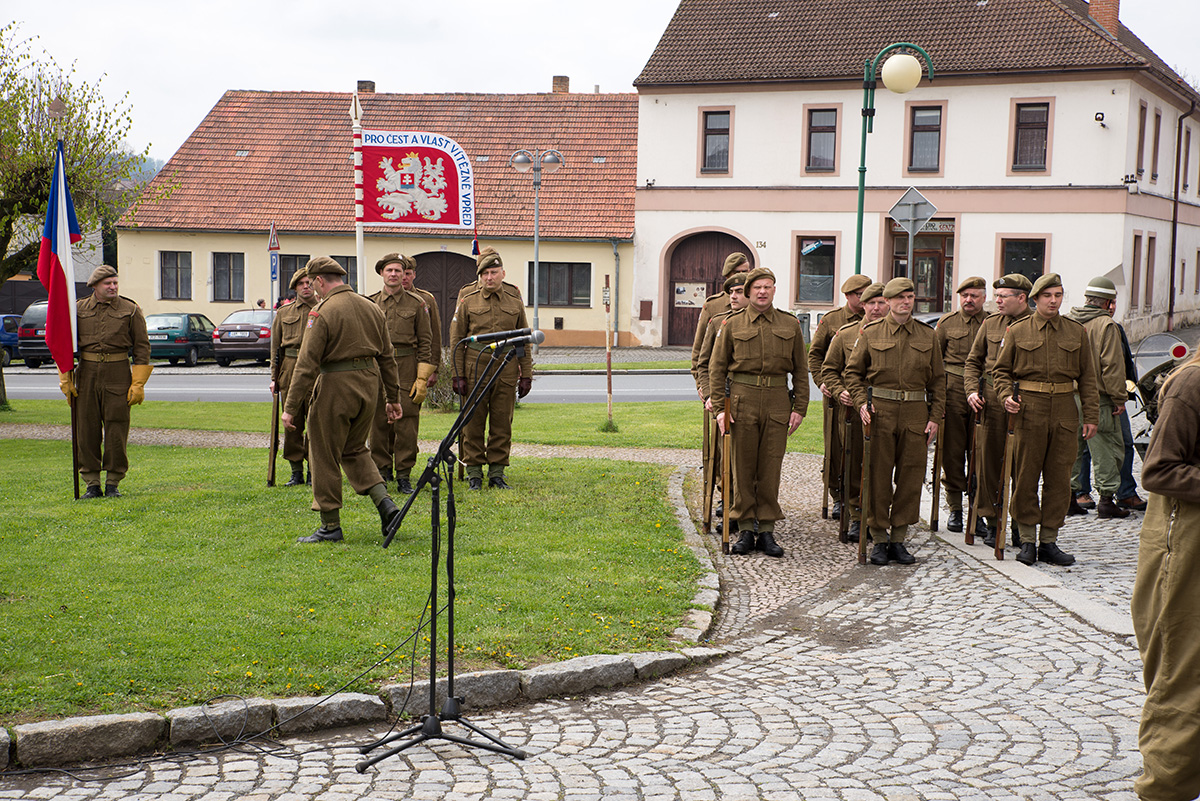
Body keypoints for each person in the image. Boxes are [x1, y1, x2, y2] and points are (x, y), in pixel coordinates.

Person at [282, 256, 403, 544]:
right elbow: (388, 358)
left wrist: (290, 408)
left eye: (313, 283)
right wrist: (393, 398)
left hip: (335, 387)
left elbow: (306, 364)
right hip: (368, 386)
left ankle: (330, 525)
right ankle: (386, 504)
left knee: (323, 453)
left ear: (319, 280)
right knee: (355, 448)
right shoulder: (372, 307)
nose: (313, 288)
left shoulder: (322, 312)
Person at [1130, 346, 1200, 801]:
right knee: (1184, 664)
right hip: (1187, 539)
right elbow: (1159, 470)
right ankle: (1168, 788)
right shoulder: (1192, 384)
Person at [993, 273, 1100, 566]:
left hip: (1065, 410)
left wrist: (1091, 415)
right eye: (1048, 296)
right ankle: (1027, 539)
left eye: (1058, 295)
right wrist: (1006, 396)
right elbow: (1000, 372)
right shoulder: (1018, 331)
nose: (1053, 301)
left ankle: (1049, 541)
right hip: (1029, 410)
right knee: (1025, 475)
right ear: (1035, 299)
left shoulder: (1076, 332)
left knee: (1059, 479)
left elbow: (1088, 378)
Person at [845, 277, 944, 565]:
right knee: (877, 476)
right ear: (887, 301)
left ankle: (898, 538)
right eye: (900, 297)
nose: (906, 302)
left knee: (911, 477)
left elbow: (939, 381)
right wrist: (862, 402)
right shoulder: (871, 333)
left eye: (910, 297)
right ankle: (878, 537)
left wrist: (935, 417)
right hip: (881, 412)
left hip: (915, 412)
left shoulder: (928, 335)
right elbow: (853, 374)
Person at [710, 267, 808, 557]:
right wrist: (720, 409)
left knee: (770, 467)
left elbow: (801, 370)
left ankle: (766, 529)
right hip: (742, 400)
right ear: (749, 291)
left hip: (777, 401)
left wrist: (800, 408)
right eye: (757, 287)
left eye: (768, 287)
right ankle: (745, 528)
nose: (762, 292)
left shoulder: (790, 324)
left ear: (774, 290)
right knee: (741, 468)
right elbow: (717, 369)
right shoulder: (732, 324)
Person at [60, 266, 152, 498]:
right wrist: (65, 377)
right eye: (107, 283)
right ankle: (92, 483)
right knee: (86, 428)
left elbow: (142, 347)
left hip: (118, 372)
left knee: (116, 428)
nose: (113, 287)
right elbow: (64, 343)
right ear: (95, 286)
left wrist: (138, 383)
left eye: (115, 282)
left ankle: (113, 482)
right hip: (87, 372)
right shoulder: (78, 309)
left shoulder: (130, 309)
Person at [449, 247, 534, 490]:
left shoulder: (513, 297)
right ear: (479, 276)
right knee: (472, 422)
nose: (489, 277)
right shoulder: (468, 297)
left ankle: (497, 473)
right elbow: (456, 338)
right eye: (485, 273)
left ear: (502, 273)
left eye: (494, 272)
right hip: (476, 364)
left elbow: (523, 338)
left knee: (502, 422)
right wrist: (457, 374)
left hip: (506, 366)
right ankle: (474, 473)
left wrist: (526, 374)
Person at [963, 273, 1033, 547]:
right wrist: (972, 390)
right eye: (996, 296)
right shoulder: (991, 324)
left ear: (1022, 298)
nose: (998, 301)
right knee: (989, 465)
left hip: (1025, 403)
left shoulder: (1036, 325)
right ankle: (992, 522)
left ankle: (1018, 525)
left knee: (1023, 468)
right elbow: (973, 362)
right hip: (992, 403)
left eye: (1003, 297)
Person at [821, 281, 887, 543]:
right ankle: (856, 515)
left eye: (881, 302)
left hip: (888, 410)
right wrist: (839, 391)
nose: (876, 308)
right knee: (853, 461)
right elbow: (829, 369)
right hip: (853, 408)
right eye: (871, 303)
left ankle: (879, 517)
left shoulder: (898, 334)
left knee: (882, 465)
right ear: (863, 305)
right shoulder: (846, 334)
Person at [808, 274, 874, 520]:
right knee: (837, 446)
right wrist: (822, 382)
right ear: (848, 296)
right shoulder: (832, 320)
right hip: (839, 395)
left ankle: (862, 497)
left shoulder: (877, 318)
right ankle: (837, 494)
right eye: (860, 295)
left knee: (863, 448)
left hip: (866, 394)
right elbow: (815, 355)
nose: (865, 299)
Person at [369, 254, 436, 494]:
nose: (394, 274)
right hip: (377, 367)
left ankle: (404, 474)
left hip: (406, 366)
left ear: (405, 274)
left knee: (407, 424)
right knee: (378, 422)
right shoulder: (370, 303)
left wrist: (422, 377)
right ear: (382, 273)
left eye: (398, 270)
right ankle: (381, 471)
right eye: (389, 270)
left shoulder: (417, 303)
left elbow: (426, 342)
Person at [1068, 276, 1130, 520]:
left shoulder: (1069, 320)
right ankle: (1106, 500)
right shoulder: (1107, 325)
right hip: (1099, 397)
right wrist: (1119, 398)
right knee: (1107, 447)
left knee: (1073, 449)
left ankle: (1070, 498)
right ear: (1107, 303)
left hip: (1070, 396)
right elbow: (1112, 366)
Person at [694, 272, 748, 530]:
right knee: (725, 458)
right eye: (731, 292)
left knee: (748, 460)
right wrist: (709, 395)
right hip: (722, 399)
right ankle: (729, 504)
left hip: (747, 399)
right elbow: (703, 363)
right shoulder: (718, 321)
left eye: (739, 291)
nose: (734, 296)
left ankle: (748, 512)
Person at [934, 277, 987, 533]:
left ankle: (978, 510)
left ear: (984, 298)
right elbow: (935, 363)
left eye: (974, 296)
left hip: (983, 393)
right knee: (953, 453)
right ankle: (955, 508)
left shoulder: (993, 323)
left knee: (980, 453)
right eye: (965, 295)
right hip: (953, 392)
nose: (969, 300)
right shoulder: (947, 323)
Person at [269, 267, 317, 486]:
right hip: (290, 368)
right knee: (292, 422)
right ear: (295, 288)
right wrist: (274, 378)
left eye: (309, 283)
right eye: (301, 284)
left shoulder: (324, 308)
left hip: (316, 369)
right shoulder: (283, 313)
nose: (306, 287)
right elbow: (275, 348)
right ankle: (296, 470)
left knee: (316, 422)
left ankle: (314, 470)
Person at [690, 251, 752, 393]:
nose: (742, 275)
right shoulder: (713, 305)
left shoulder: (756, 303)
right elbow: (699, 348)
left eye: (745, 271)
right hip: (718, 381)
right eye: (737, 272)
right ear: (727, 275)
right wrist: (701, 385)